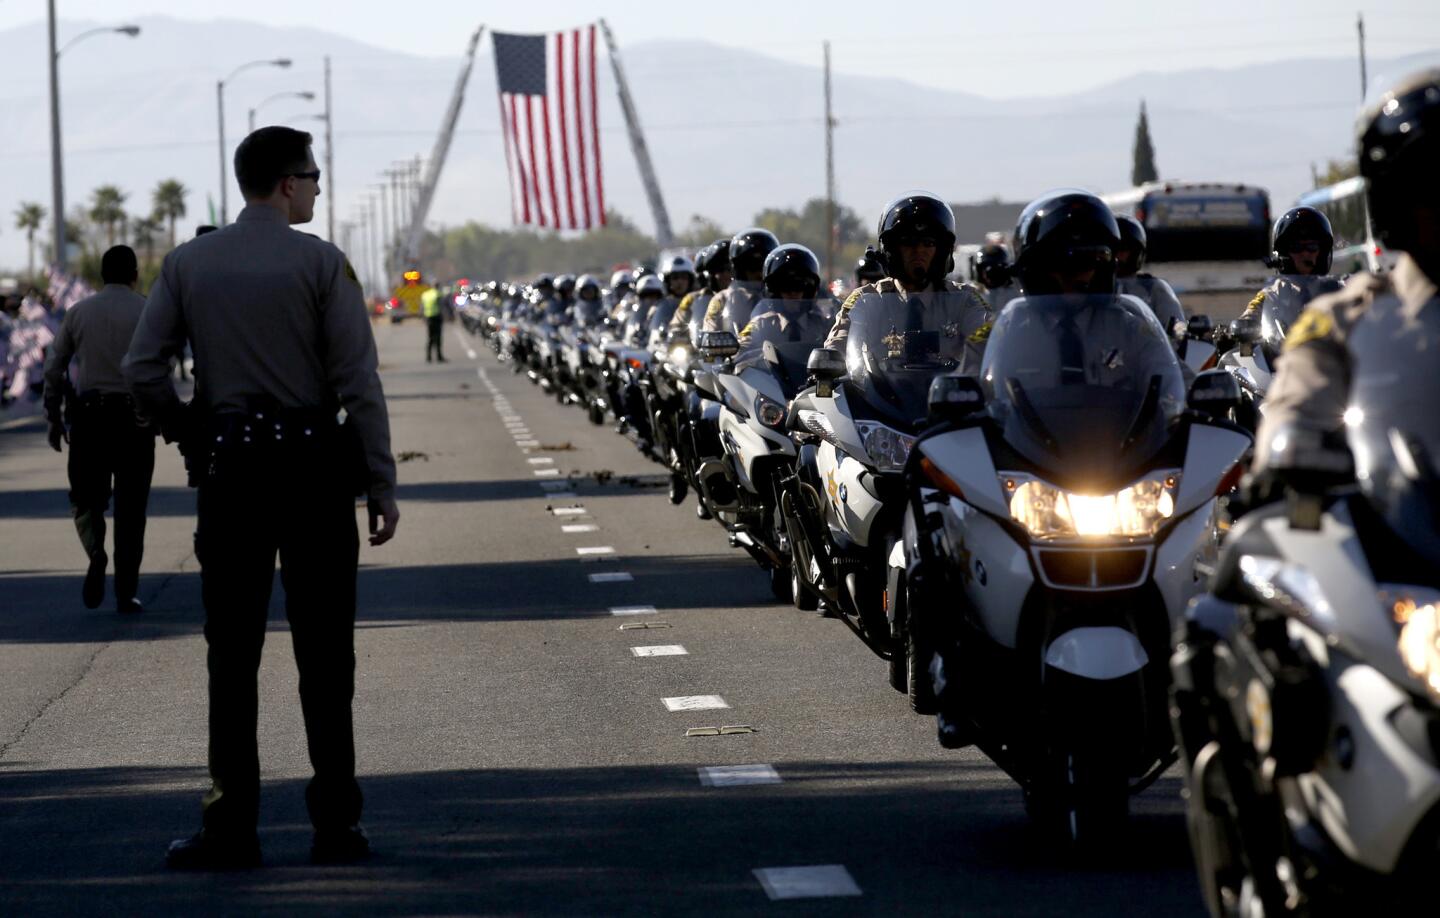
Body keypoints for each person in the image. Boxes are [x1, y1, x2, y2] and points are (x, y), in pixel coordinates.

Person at [123, 126, 400, 869]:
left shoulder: (187, 264)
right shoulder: (321, 263)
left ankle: (230, 827)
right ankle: (336, 825)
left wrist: (190, 429)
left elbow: (142, 368)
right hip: (313, 479)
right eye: (311, 177)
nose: (315, 188)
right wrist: (380, 481)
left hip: (232, 479)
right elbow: (357, 383)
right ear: (285, 184)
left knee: (231, 656)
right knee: (325, 657)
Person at [1255, 68, 1440, 470]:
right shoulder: (1346, 317)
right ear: (1395, 202)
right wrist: (1287, 462)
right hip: (1396, 516)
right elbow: (1295, 405)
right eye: (1430, 188)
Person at [42, 245, 156, 614]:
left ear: (102, 276)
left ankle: (96, 552)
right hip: (133, 420)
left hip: (90, 419)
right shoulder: (147, 311)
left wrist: (54, 416)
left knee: (86, 500)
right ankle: (126, 592)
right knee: (131, 509)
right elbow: (160, 366)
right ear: (134, 274)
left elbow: (54, 367)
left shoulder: (78, 312)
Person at [824, 193, 991, 371]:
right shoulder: (864, 300)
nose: (919, 251)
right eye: (908, 243)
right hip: (878, 396)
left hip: (947, 396)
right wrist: (827, 366)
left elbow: (986, 350)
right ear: (892, 250)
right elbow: (836, 350)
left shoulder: (965, 300)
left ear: (942, 251)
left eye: (928, 243)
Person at [1238, 206, 1343, 323]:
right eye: (1296, 247)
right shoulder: (1272, 293)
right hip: (1283, 341)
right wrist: (1243, 325)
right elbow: (1250, 315)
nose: (1305, 253)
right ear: (1284, 253)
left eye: (1312, 247)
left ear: (1322, 252)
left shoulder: (1339, 290)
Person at [738, 244, 832, 349]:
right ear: (775, 290)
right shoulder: (760, 324)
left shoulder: (822, 326)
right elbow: (740, 352)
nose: (792, 293)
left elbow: (840, 352)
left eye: (798, 286)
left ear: (808, 290)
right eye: (786, 286)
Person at [1112, 215, 1185, 334]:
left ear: (1136, 252)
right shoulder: (1093, 290)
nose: (1118, 256)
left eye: (1123, 250)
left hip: (1146, 350)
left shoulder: (1154, 289)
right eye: (1113, 250)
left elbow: (1178, 330)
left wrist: (1179, 338)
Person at [703, 228, 779, 333]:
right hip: (735, 349)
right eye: (751, 265)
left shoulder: (782, 297)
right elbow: (710, 332)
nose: (758, 272)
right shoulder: (722, 299)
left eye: (762, 265)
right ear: (739, 266)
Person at [421, 281, 445, 362]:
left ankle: (428, 357)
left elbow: (422, 307)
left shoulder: (425, 294)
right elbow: (441, 306)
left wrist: (423, 317)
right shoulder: (438, 294)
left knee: (430, 338)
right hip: (437, 317)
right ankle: (439, 356)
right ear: (437, 286)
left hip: (428, 318)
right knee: (438, 338)